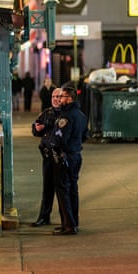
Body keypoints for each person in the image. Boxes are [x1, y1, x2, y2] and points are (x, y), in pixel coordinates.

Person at [49, 87, 88, 235]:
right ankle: (73, 222)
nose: (59, 100)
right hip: (76, 155)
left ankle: (68, 226)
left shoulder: (66, 117)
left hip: (64, 157)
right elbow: (85, 135)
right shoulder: (81, 115)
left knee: (63, 191)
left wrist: (53, 145)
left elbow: (59, 139)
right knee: (73, 190)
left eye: (62, 97)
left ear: (69, 98)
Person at [30, 88, 62, 227]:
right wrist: (37, 129)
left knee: (63, 190)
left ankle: (67, 220)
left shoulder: (67, 114)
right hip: (48, 156)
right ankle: (44, 217)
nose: (55, 99)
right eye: (54, 96)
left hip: (61, 157)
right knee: (47, 188)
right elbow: (35, 129)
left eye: (58, 96)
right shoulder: (46, 113)